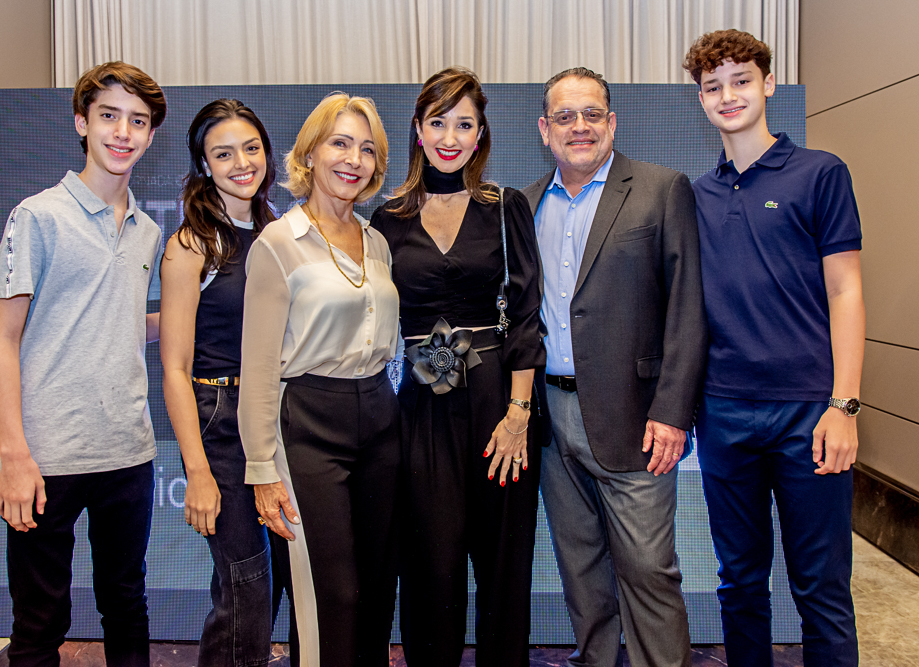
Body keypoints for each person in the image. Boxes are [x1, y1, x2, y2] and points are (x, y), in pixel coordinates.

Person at [683, 30, 864, 667]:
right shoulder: (695, 196)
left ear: (769, 84)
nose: (728, 96)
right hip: (725, 414)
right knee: (739, 585)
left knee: (821, 589)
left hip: (809, 414)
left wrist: (845, 405)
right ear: (700, 99)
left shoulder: (821, 173)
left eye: (741, 80)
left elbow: (846, 291)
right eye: (713, 87)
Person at [522, 67, 707, 667]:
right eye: (566, 117)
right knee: (581, 569)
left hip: (637, 420)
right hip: (551, 419)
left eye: (592, 114)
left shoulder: (660, 189)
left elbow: (687, 309)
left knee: (649, 572)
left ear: (612, 122)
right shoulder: (522, 205)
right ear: (544, 129)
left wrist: (674, 412)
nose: (580, 127)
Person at [0, 61, 166, 667]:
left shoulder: (146, 230)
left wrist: (206, 321)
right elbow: (2, 338)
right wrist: (14, 454)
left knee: (127, 604)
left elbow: (115, 324)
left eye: (137, 121)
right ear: (81, 123)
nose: (123, 132)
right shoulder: (37, 216)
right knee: (39, 624)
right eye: (109, 116)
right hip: (47, 458)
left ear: (149, 134)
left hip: (128, 452)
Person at [370, 66, 545, 667]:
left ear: (480, 134)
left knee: (503, 569)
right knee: (430, 566)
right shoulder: (386, 219)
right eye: (438, 121)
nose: (451, 135)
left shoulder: (505, 208)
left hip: (500, 404)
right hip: (420, 407)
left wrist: (519, 413)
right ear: (417, 130)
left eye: (464, 123)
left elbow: (525, 317)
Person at [237, 92, 399, 667]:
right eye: (339, 143)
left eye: (367, 149)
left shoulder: (378, 242)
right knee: (331, 595)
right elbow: (256, 369)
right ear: (310, 152)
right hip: (307, 424)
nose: (353, 159)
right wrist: (262, 469)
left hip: (381, 420)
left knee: (378, 587)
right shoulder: (278, 244)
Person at [160, 99, 277, 666]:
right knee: (246, 581)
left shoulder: (277, 230)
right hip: (219, 416)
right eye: (223, 154)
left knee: (269, 583)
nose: (241, 163)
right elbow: (175, 369)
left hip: (276, 415)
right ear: (205, 166)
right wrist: (199, 473)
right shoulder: (191, 244)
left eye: (250, 148)